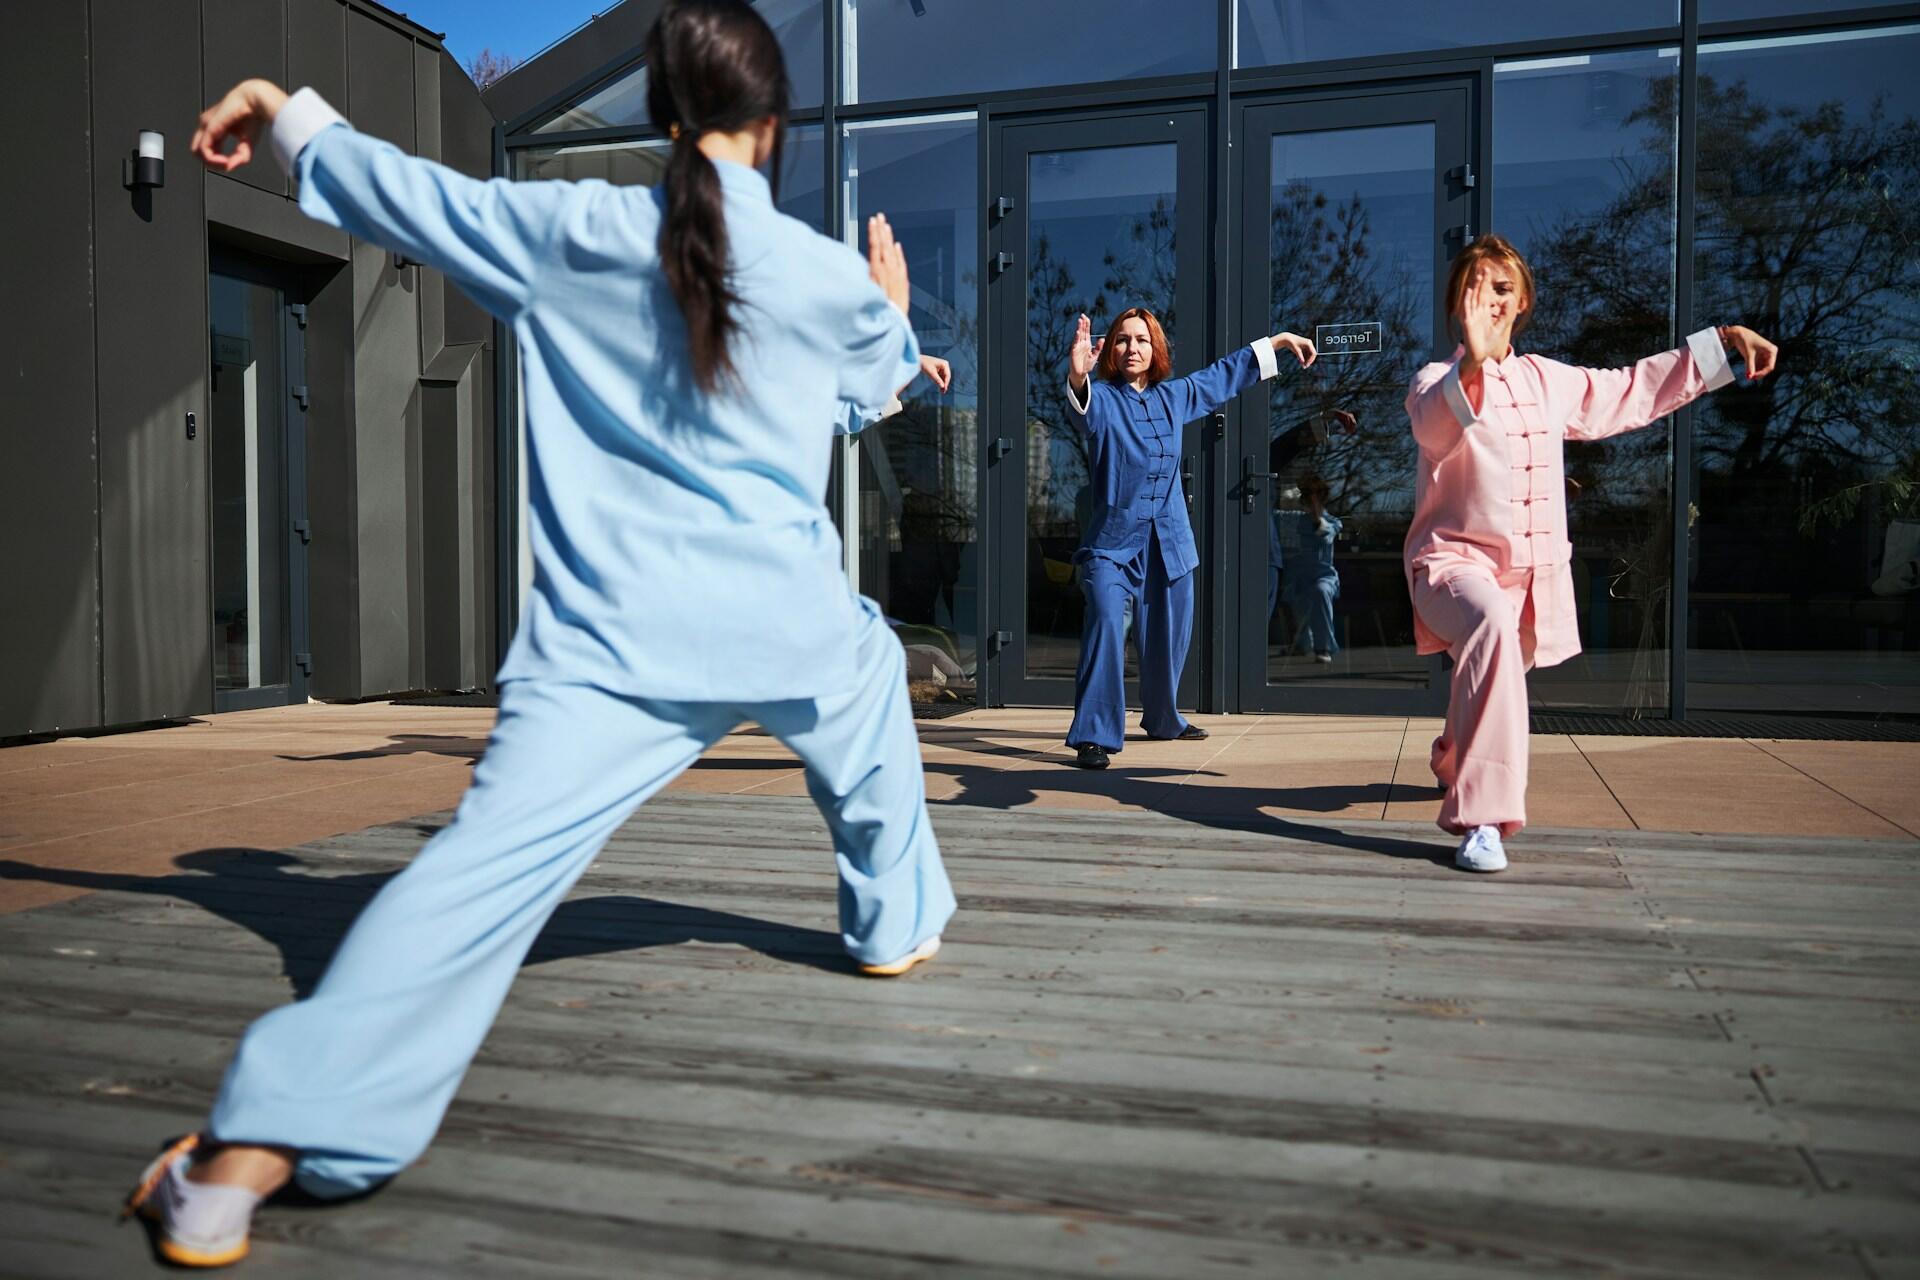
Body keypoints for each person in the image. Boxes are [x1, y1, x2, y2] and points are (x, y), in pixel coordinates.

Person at [124, 1, 956, 1266]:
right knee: (869, 695)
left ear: (661, 121)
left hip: (614, 647)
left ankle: (234, 1166)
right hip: (788, 620)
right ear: (772, 126)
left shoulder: (572, 227)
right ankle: (894, 924)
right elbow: (870, 379)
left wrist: (285, 113)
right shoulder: (822, 272)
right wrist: (890, 310)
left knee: (472, 878)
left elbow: (404, 198)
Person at [1406, 233, 1777, 872]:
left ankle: (1451, 756)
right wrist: (1472, 366)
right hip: (1449, 568)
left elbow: (1631, 389)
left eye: (1502, 288)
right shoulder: (1434, 380)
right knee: (1489, 628)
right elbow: (1435, 427)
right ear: (1456, 304)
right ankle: (1485, 819)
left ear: (1522, 302)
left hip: (1529, 581)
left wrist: (1721, 342)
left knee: (1495, 667)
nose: (1490, 300)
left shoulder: (1550, 379)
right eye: (1476, 288)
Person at [1063, 309, 1317, 769]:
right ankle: (1094, 735)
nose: (1131, 348)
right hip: (1113, 545)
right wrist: (1077, 376)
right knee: (1103, 618)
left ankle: (1163, 718)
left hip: (1169, 543)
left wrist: (1277, 340)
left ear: (1155, 348)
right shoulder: (1101, 399)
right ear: (1111, 351)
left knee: (1168, 637)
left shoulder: (1174, 397)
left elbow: (1224, 375)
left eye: (1141, 339)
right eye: (1122, 340)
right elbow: (1083, 414)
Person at [1276, 473, 1342, 663]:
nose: (1313, 506)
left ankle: (1323, 647)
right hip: (1298, 577)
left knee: (1320, 592)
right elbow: (1273, 517)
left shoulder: (1334, 522)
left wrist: (1316, 518)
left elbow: (1325, 533)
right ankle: (1301, 644)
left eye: (1316, 501)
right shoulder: (1294, 519)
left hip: (1323, 576)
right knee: (1292, 598)